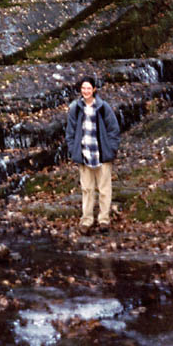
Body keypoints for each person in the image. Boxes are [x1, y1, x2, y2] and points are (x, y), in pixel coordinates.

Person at [65, 77, 120, 234]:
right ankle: (87, 220)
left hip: (102, 155)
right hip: (84, 155)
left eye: (89, 88)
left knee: (104, 189)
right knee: (87, 189)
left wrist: (112, 149)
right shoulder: (75, 108)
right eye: (83, 88)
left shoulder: (103, 107)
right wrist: (73, 149)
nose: (86, 91)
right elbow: (70, 132)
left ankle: (103, 220)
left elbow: (114, 130)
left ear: (94, 89)